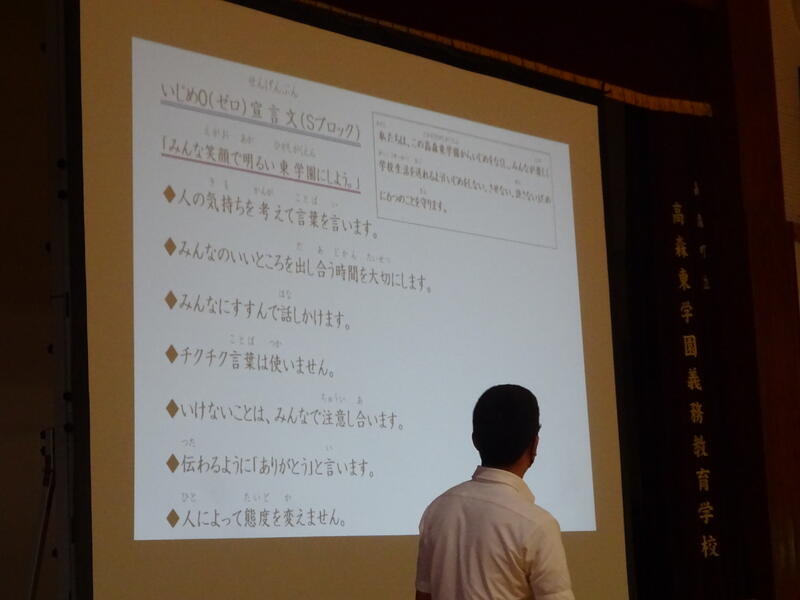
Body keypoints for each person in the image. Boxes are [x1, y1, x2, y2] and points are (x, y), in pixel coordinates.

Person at [415, 384, 574, 600]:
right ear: (534, 444)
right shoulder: (537, 525)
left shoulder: (437, 510)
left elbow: (423, 595)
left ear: (475, 440)